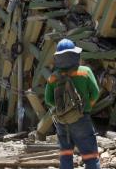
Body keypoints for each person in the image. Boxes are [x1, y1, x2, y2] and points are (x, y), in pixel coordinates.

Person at [44, 38, 101, 169]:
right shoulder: (85, 71)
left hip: (62, 121)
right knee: (90, 156)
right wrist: (86, 106)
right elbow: (96, 93)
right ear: (75, 55)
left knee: (66, 154)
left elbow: (48, 100)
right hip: (82, 119)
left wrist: (62, 108)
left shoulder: (53, 77)